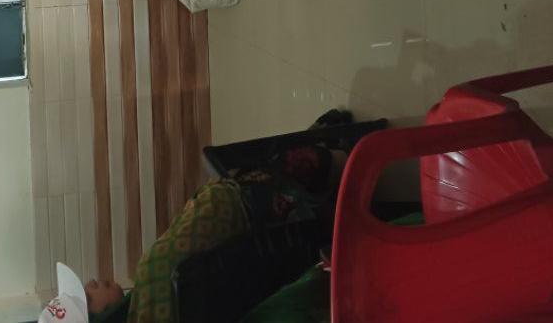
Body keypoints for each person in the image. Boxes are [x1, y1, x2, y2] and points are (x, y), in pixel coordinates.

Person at [38, 113, 352, 323]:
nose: (92, 282)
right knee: (253, 174)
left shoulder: (149, 301)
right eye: (87, 295)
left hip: (271, 256)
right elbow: (222, 208)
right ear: (102, 317)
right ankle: (333, 161)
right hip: (263, 223)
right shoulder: (151, 277)